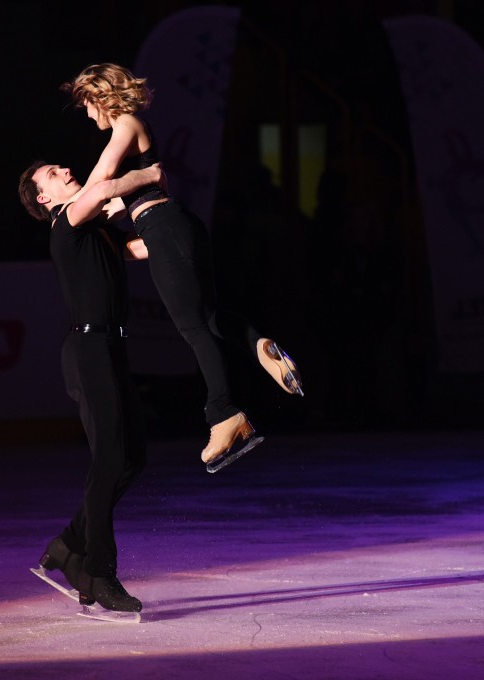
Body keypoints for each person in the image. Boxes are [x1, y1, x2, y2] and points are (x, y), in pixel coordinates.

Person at [61, 63, 303, 472]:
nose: (87, 115)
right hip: (172, 227)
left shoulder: (127, 124)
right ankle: (259, 344)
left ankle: (224, 414)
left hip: (164, 228)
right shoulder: (136, 141)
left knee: (192, 328)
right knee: (207, 318)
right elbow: (123, 201)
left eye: (86, 104)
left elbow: (102, 179)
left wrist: (71, 213)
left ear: (101, 96)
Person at [17, 160, 164, 613]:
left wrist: (174, 231)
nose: (64, 168)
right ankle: (98, 572)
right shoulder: (67, 221)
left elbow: (138, 249)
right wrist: (148, 174)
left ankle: (68, 544)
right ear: (45, 198)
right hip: (88, 350)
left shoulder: (94, 228)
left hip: (111, 349)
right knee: (109, 460)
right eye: (52, 173)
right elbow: (104, 192)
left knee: (132, 458)